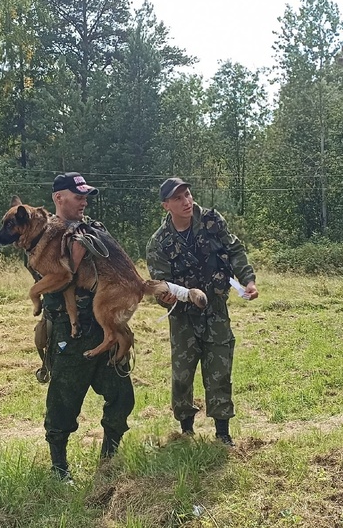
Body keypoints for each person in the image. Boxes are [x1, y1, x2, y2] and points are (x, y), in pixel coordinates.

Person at [36, 172, 135, 480]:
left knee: (121, 396)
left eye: (85, 196)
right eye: (77, 196)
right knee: (63, 402)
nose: (83, 201)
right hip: (70, 332)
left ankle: (109, 460)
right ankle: (59, 467)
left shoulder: (95, 230)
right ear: (58, 198)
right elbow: (48, 285)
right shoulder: (42, 236)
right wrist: (74, 262)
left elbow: (118, 269)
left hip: (105, 326)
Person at [146, 178, 258, 446]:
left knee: (219, 369)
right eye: (178, 198)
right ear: (166, 206)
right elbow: (159, 284)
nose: (187, 201)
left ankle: (222, 432)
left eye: (188, 194)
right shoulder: (159, 242)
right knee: (182, 374)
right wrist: (167, 297)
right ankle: (186, 430)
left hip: (216, 309)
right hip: (183, 316)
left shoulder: (211, 221)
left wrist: (248, 280)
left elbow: (234, 250)